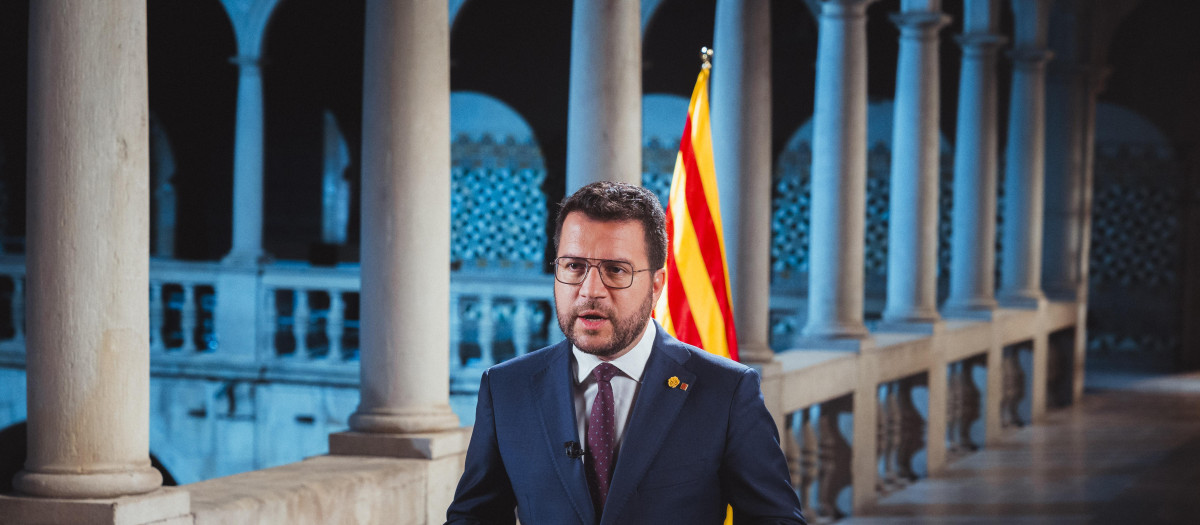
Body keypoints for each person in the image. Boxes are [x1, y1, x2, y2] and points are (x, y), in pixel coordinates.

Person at [446, 181, 806, 524]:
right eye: (574, 267)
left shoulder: (726, 391)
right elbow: (475, 517)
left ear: (656, 285)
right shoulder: (506, 387)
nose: (590, 291)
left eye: (615, 270)